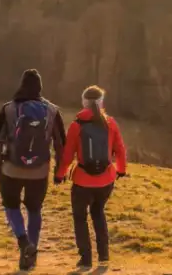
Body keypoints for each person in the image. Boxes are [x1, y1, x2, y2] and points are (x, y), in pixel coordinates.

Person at [0, 69, 65, 271]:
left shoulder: (8, 109)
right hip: (39, 171)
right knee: (34, 209)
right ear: (40, 87)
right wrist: (59, 171)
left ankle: (24, 244)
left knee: (11, 206)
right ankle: (32, 253)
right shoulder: (52, 111)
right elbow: (61, 144)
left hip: (11, 169)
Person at [55, 85, 128, 269]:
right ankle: (104, 256)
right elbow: (120, 149)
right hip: (106, 180)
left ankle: (86, 259)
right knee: (98, 213)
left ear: (83, 102)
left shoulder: (76, 125)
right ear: (101, 102)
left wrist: (60, 174)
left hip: (82, 181)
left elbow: (67, 155)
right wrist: (121, 169)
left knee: (80, 218)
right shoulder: (110, 123)